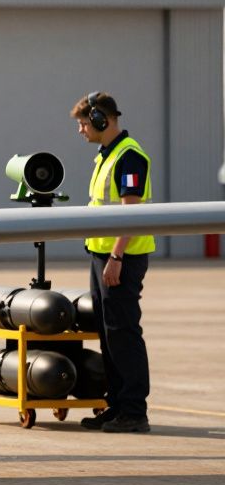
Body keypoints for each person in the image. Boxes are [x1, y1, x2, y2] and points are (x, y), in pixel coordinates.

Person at [72, 92, 153, 433]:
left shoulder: (129, 156)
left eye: (83, 123)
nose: (81, 131)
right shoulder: (107, 156)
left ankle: (134, 410)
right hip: (102, 254)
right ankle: (116, 404)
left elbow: (130, 211)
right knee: (107, 333)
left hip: (122, 256)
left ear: (101, 120)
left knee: (124, 332)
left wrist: (117, 257)